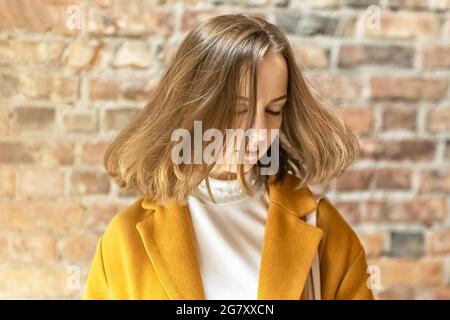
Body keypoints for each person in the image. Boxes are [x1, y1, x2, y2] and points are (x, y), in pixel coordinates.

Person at [83, 13, 374, 300]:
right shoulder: (124, 240)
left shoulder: (323, 229)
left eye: (274, 111)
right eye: (239, 110)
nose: (260, 133)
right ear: (194, 106)